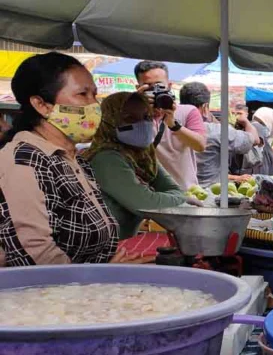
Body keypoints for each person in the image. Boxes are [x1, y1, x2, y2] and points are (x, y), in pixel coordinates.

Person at [0, 52, 118, 266]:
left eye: (94, 94)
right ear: (42, 105)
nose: (94, 105)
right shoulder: (24, 162)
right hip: (56, 295)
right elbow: (34, 255)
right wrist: (99, 277)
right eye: (82, 94)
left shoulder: (74, 160)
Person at [85, 92, 186, 239]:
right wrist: (180, 199)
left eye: (147, 117)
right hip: (99, 255)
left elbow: (174, 190)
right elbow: (147, 204)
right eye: (129, 119)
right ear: (109, 121)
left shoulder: (143, 156)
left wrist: (172, 197)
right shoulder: (105, 158)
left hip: (121, 249)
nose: (141, 123)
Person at [133, 61, 206, 189]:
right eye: (148, 87)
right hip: (145, 194)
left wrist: (173, 124)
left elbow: (200, 145)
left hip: (184, 193)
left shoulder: (188, 111)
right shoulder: (131, 115)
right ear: (138, 88)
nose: (155, 92)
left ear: (169, 86)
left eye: (159, 86)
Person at [179, 82, 260, 187]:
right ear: (205, 107)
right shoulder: (215, 131)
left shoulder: (169, 127)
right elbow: (254, 140)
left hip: (176, 193)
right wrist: (245, 121)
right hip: (209, 194)